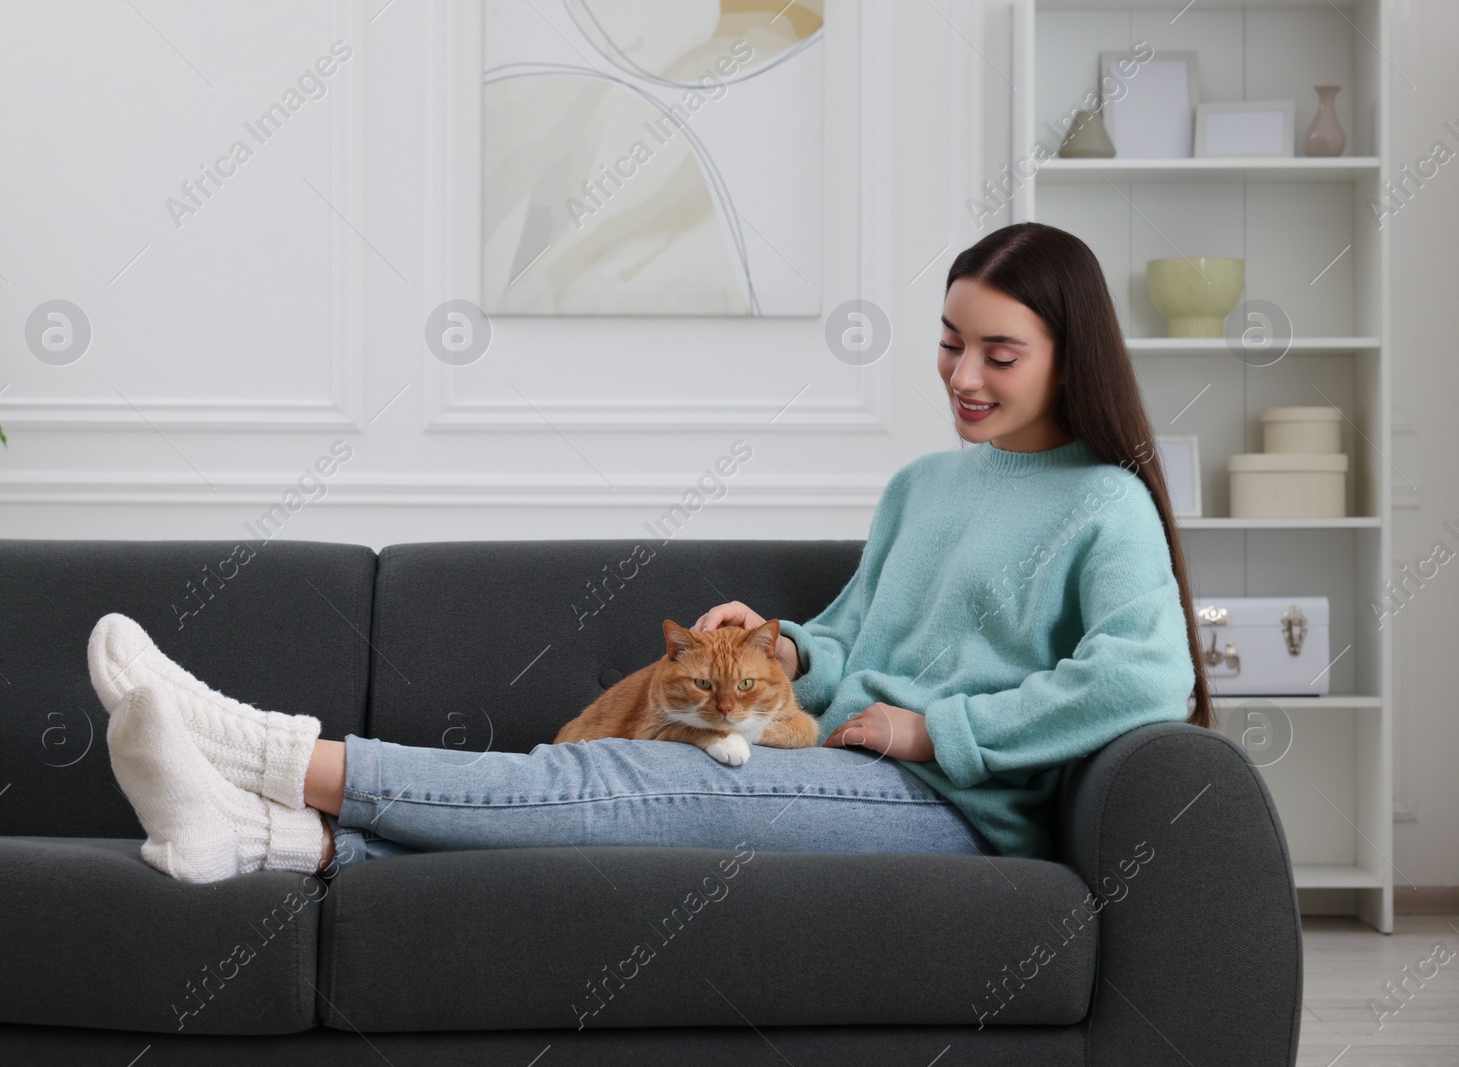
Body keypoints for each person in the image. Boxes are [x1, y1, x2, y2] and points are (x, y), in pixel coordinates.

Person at [95, 221, 1213, 885]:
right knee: (610, 808)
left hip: (941, 804)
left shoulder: (1103, 504)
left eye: (999, 353)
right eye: (948, 342)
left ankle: (259, 748)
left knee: (612, 776)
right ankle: (257, 836)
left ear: (1072, 357)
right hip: (827, 753)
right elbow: (851, 634)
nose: (963, 376)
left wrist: (943, 728)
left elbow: (1143, 674)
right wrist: (778, 647)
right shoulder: (927, 483)